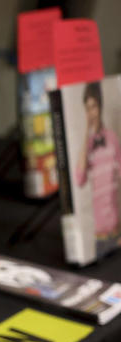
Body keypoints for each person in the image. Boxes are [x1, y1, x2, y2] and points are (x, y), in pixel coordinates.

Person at [75, 82, 121, 244]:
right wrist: (87, 132)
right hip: (98, 235)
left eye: (93, 107)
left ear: (100, 106)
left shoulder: (112, 139)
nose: (91, 113)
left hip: (116, 230)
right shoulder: (87, 144)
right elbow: (79, 179)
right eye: (87, 108)